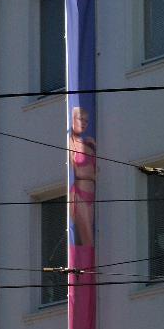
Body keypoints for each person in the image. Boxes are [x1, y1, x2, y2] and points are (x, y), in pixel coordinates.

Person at [68, 105, 97, 248]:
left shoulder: (88, 142)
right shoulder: (70, 143)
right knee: (87, 239)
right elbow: (74, 170)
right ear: (72, 120)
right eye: (81, 119)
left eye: (86, 121)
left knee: (90, 235)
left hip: (92, 192)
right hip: (80, 193)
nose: (84, 123)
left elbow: (97, 170)